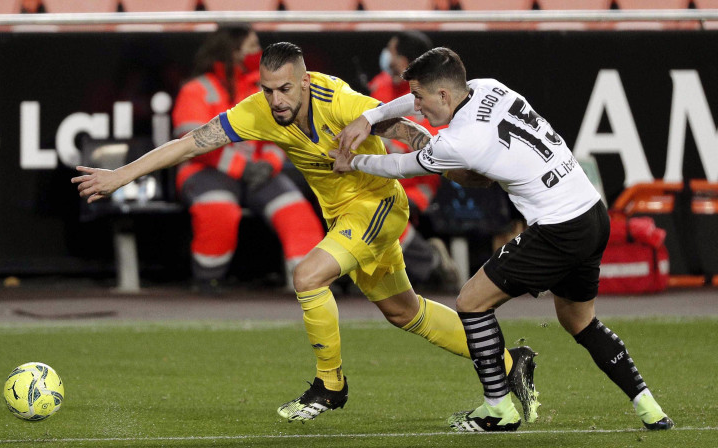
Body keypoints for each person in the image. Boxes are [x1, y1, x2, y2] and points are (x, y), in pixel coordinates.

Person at [72, 42, 538, 424]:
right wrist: (120, 176)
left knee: (308, 276)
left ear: (306, 81)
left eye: (286, 89)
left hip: (377, 205)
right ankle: (511, 364)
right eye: (268, 89)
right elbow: (190, 143)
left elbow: (405, 129)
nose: (276, 100)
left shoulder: (339, 102)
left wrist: (457, 166)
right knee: (404, 312)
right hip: (344, 218)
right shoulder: (259, 111)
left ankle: (330, 385)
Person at [331, 47, 673, 432]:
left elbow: (398, 166)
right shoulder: (488, 87)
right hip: (591, 213)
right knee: (580, 321)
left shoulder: (460, 141)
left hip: (558, 228)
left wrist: (352, 162)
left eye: (421, 98)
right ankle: (650, 407)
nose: (416, 106)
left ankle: (498, 409)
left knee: (471, 302)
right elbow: (417, 114)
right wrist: (370, 116)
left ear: (443, 95)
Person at [171, 25, 324, 293]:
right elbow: (194, 144)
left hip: (258, 171)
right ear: (232, 51)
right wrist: (243, 167)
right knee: (218, 210)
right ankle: (208, 280)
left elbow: (283, 134)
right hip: (204, 170)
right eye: (253, 46)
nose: (259, 52)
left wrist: (270, 163)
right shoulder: (196, 89)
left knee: (296, 211)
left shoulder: (262, 87)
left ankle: (313, 283)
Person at [370, 31, 459, 292]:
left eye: (392, 51)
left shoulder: (437, 96)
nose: (387, 56)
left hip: (418, 186)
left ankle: (430, 262)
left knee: (376, 211)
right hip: (381, 176)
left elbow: (433, 152)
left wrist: (388, 145)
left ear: (404, 61)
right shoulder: (380, 85)